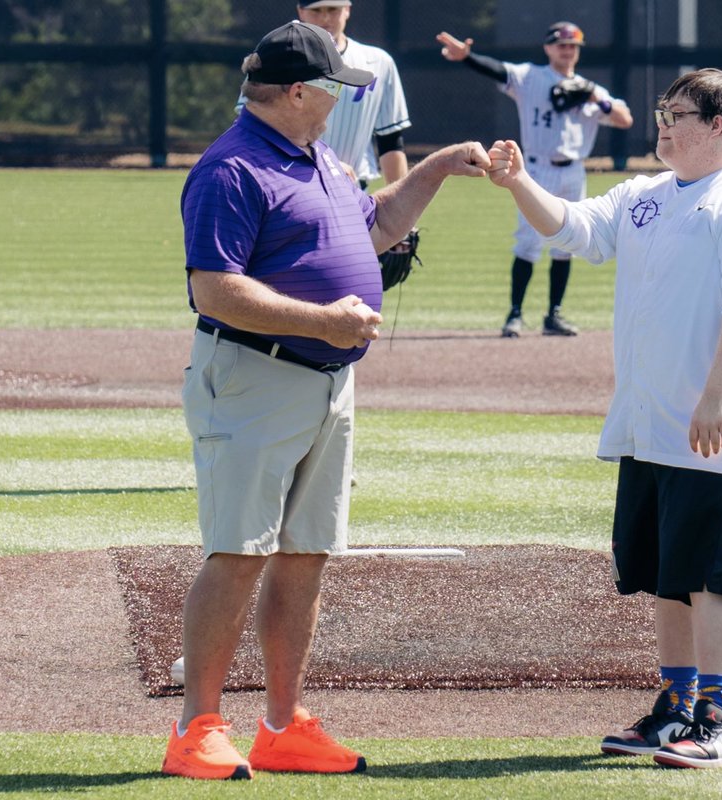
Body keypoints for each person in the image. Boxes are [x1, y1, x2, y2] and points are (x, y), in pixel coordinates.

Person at [162, 20, 489, 781]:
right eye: (339, 86)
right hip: (254, 375)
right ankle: (196, 729)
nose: (348, 97)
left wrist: (437, 168)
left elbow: (372, 229)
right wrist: (325, 321)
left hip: (326, 381)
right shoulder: (231, 166)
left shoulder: (320, 156)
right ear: (301, 92)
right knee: (239, 551)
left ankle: (281, 727)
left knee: (305, 554)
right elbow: (213, 288)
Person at [484, 69, 722, 769]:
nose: (662, 123)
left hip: (711, 425)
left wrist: (715, 399)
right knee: (664, 572)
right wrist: (516, 183)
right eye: (661, 110)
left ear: (718, 125)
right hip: (649, 421)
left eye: (678, 113)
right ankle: (675, 708)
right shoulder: (647, 196)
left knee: (709, 577)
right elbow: (572, 228)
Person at [437, 22, 632, 338]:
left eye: (573, 46)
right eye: (561, 45)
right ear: (548, 48)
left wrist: (597, 98)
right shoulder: (531, 77)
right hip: (536, 170)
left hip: (573, 170)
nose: (567, 51)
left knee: (566, 244)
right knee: (528, 242)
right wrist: (467, 57)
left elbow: (625, 118)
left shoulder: (588, 88)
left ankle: (553, 315)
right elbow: (500, 71)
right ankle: (514, 314)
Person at [239, 0, 411, 188]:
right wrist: (326, 164)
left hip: (354, 190)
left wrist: (400, 205)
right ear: (301, 11)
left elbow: (390, 141)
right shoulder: (276, 59)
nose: (325, 18)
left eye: (332, 9)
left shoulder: (379, 63)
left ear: (347, 10)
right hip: (288, 186)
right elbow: (254, 128)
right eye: (316, 10)